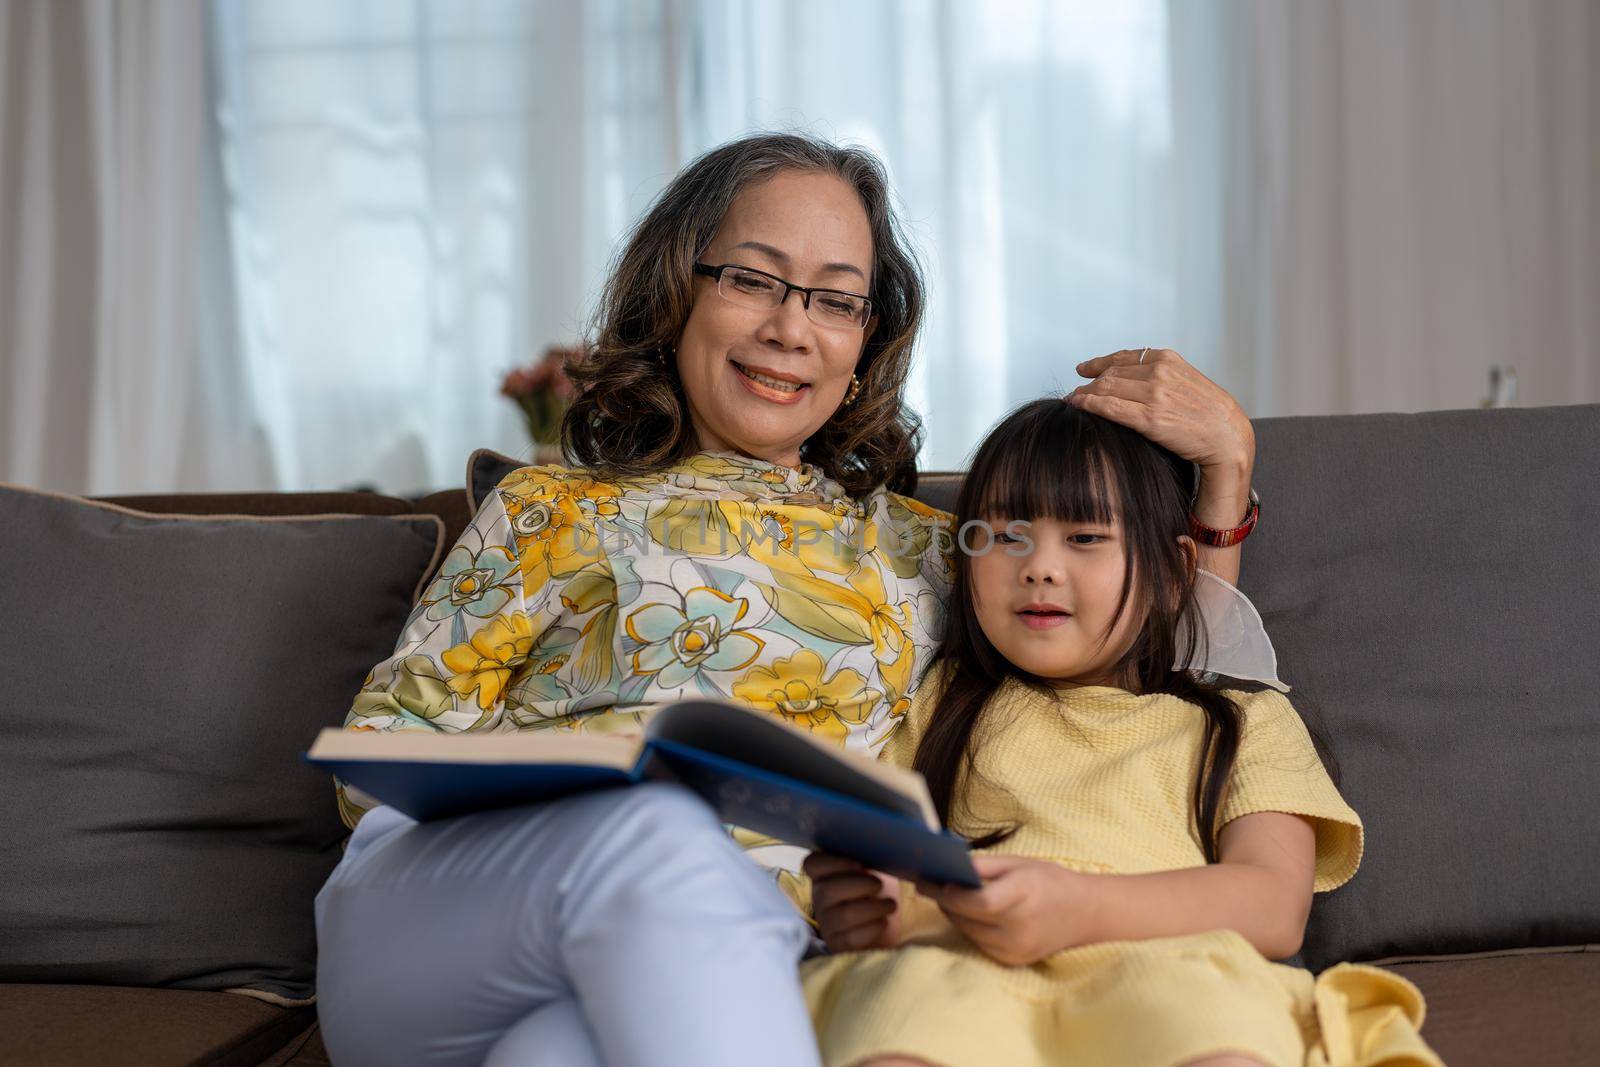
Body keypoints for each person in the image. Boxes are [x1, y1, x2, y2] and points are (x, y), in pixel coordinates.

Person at [313, 132, 1259, 1067]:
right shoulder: (546, 507)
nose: (790, 328)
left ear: (865, 343)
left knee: (554, 1053)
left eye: (836, 301)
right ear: (677, 291)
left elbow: (1158, 676)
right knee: (653, 830)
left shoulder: (932, 549)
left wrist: (1224, 473)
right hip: (452, 925)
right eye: (752, 280)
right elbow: (382, 769)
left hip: (741, 958)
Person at [802, 398, 1441, 1067]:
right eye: (1007, 536)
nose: (1039, 566)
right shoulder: (939, 704)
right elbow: (896, 880)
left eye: (1083, 537)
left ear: (1172, 574)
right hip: (964, 974)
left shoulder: (1240, 721)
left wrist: (1078, 905)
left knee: (1224, 1040)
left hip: (1168, 971)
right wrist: (868, 915)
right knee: (894, 1030)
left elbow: (1273, 906)